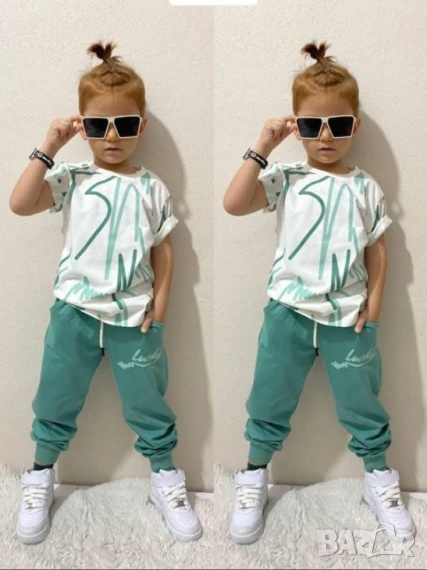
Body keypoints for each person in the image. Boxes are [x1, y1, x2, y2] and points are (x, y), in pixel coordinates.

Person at [10, 41, 202, 545]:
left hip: (134, 319)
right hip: (74, 313)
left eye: (125, 124)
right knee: (55, 398)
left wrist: (159, 312)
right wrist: (49, 146)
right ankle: (40, 477)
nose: (112, 136)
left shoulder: (152, 187)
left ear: (142, 126)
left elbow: (164, 252)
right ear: (83, 127)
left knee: (148, 403)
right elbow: (20, 203)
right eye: (98, 125)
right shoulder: (71, 178)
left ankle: (165, 479)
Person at [223, 41, 415, 544]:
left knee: (362, 403)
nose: (325, 136)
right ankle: (253, 476)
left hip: (347, 318)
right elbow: (234, 203)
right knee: (269, 398)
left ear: (355, 126)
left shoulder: (365, 187)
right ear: (296, 127)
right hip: (287, 312)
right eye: (311, 125)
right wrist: (263, 146)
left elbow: (377, 251)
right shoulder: (285, 177)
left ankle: (378, 479)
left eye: (338, 124)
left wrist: (373, 311)